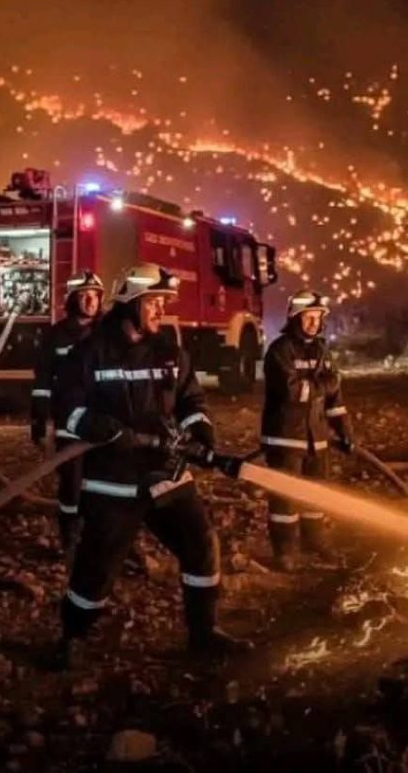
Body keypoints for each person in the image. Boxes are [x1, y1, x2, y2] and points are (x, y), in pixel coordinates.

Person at [50, 262, 250, 668]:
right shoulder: (88, 353)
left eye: (163, 302)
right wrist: (103, 428)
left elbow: (191, 400)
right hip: (114, 483)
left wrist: (201, 433)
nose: (161, 310)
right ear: (130, 303)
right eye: (154, 302)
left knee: (201, 544)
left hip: (167, 474)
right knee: (95, 569)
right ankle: (73, 638)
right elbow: (67, 411)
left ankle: (203, 633)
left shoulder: (170, 351)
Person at [260, 289, 353, 571]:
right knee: (285, 498)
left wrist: (344, 430)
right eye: (308, 317)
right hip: (285, 437)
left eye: (318, 317)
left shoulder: (322, 350)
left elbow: (333, 400)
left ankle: (315, 541)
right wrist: (326, 385)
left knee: (316, 494)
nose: (314, 323)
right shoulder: (279, 351)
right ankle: (285, 552)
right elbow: (294, 392)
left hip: (316, 437)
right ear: (295, 318)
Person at [30, 270, 104, 551]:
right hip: (69, 422)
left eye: (95, 296)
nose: (90, 301)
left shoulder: (108, 332)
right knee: (71, 482)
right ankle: (69, 534)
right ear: (72, 300)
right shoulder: (56, 335)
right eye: (84, 296)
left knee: (102, 480)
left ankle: (99, 536)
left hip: (102, 421)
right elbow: (42, 381)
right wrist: (38, 420)